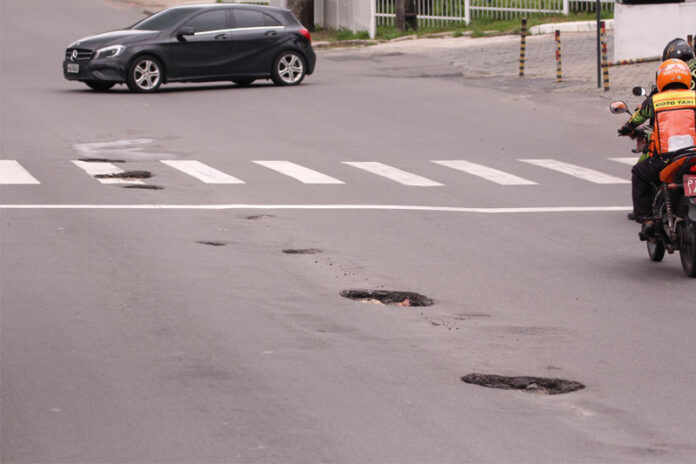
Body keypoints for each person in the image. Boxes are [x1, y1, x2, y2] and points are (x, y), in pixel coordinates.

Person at [618, 59, 696, 238]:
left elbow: (636, 119)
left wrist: (626, 129)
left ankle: (647, 220)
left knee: (639, 172)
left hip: (668, 159)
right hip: (693, 156)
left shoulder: (655, 101)